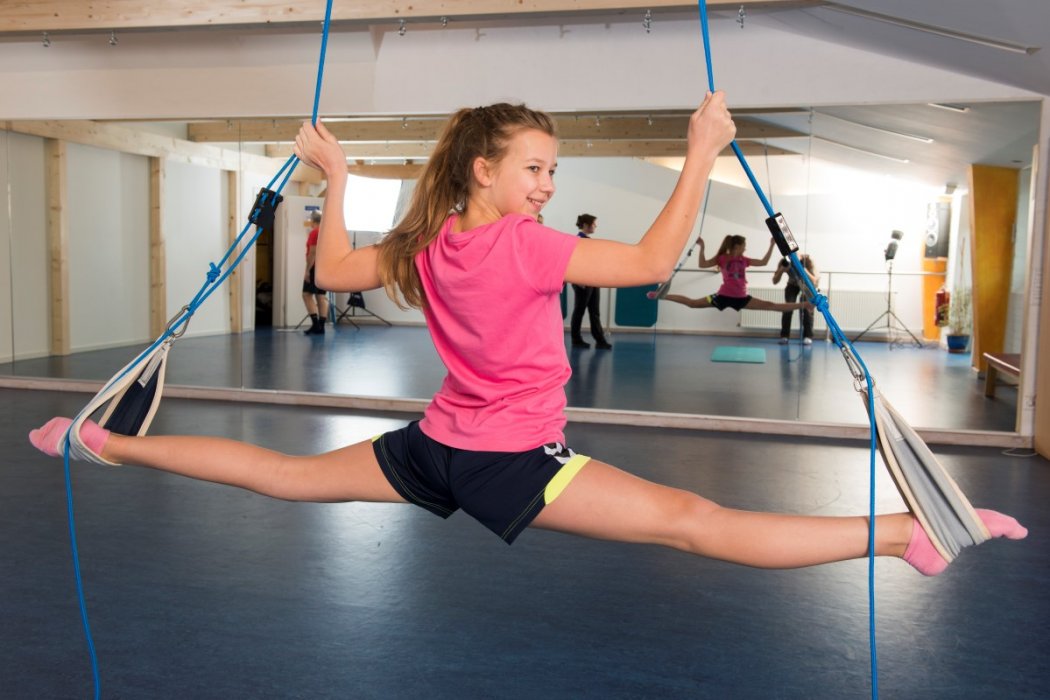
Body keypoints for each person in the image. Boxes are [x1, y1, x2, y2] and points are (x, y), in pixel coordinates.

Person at [30, 93, 1025, 577]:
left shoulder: (426, 242)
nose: (548, 185)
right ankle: (903, 535)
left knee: (283, 477)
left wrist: (338, 180)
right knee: (691, 520)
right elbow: (649, 262)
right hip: (508, 459)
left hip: (437, 447)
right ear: (485, 170)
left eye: (553, 171)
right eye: (535, 168)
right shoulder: (525, 246)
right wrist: (699, 152)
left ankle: (99, 439)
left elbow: (329, 272)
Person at [659, 234, 812, 315]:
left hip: (741, 298)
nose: (745, 248)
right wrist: (702, 247)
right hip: (722, 296)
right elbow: (702, 264)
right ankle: (663, 296)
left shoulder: (744, 260)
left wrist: (772, 245)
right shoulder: (722, 258)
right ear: (737, 246)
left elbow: (763, 262)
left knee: (771, 306)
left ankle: (805, 305)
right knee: (693, 303)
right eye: (744, 246)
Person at [569, 213, 611, 349]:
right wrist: (578, 280)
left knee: (594, 312)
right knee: (579, 311)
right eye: (593, 224)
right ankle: (576, 339)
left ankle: (600, 340)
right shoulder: (579, 240)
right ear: (586, 225)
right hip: (582, 282)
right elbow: (574, 261)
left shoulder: (587, 240)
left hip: (592, 280)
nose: (595, 226)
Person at [772, 254, 820, 345]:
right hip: (792, 284)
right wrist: (782, 270)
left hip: (807, 285)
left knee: (807, 308)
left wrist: (803, 269)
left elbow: (815, 281)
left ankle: (808, 336)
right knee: (788, 307)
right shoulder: (785, 261)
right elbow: (774, 281)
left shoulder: (808, 261)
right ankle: (784, 336)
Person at [302, 210, 329, 335]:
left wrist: (307, 270)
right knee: (321, 296)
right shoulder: (325, 232)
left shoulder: (314, 232)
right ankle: (321, 327)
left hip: (315, 267)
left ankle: (316, 324)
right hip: (324, 267)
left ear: (313, 221)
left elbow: (313, 252)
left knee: (306, 294)